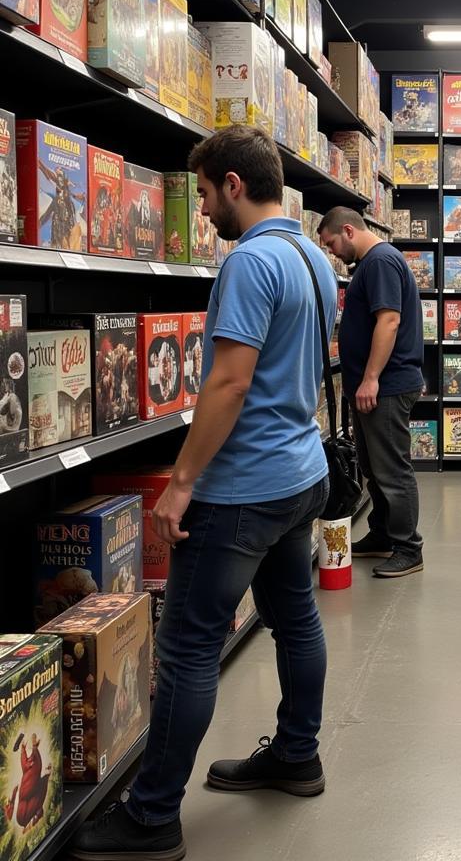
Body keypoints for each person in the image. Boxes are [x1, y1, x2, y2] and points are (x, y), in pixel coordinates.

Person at [71, 125, 336, 861]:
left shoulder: (251, 263)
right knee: (296, 619)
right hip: (300, 474)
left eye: (208, 195)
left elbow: (229, 380)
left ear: (234, 185)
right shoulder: (314, 256)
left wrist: (181, 484)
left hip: (243, 487)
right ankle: (296, 755)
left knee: (187, 647)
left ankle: (152, 817)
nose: (206, 214)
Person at [318, 207, 424, 576]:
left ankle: (409, 548)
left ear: (348, 231)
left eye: (331, 243)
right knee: (372, 467)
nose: (332, 252)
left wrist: (371, 377)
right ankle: (383, 533)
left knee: (392, 469)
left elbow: (389, 319)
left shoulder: (380, 261)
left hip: (388, 386)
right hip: (376, 386)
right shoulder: (370, 263)